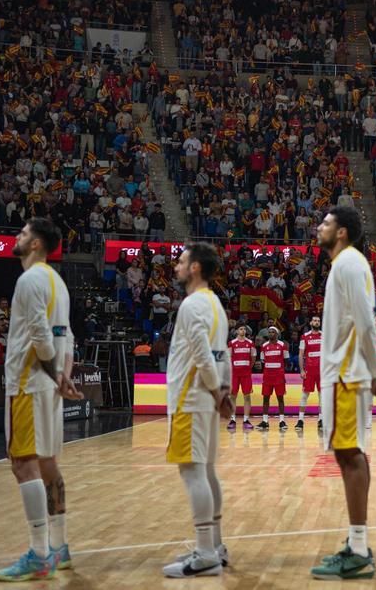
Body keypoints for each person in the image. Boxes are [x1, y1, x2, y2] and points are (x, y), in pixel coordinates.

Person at [0, 218, 82, 581]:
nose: (18, 236)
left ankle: (38, 552)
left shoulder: (30, 279)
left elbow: (40, 333)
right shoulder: (57, 283)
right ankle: (59, 547)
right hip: (49, 385)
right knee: (48, 465)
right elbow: (68, 337)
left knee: (23, 464)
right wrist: (63, 376)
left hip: (30, 382)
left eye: (24, 233)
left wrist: (52, 375)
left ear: (36, 244)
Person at [308, 207, 376, 580]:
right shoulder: (346, 264)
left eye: (325, 223)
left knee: (349, 455)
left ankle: (357, 550)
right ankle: (358, 543)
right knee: (351, 454)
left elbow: (366, 321)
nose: (318, 227)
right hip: (345, 372)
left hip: (346, 374)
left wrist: (375, 369)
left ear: (341, 232)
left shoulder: (349, 263)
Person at [161, 243, 232, 578]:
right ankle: (215, 545)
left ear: (195, 268)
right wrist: (224, 389)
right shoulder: (216, 304)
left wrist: (217, 389)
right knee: (207, 471)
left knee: (192, 472)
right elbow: (224, 355)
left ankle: (205, 554)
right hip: (207, 396)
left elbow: (204, 354)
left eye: (181, 261)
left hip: (192, 397)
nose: (176, 265)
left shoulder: (191, 304)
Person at [258, 326, 288, 430]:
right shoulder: (264, 346)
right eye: (269, 332)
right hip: (267, 377)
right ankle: (265, 421)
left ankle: (282, 421)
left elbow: (286, 360)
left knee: (280, 398)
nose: (271, 334)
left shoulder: (282, 345)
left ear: (277, 334)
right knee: (266, 398)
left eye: (273, 332)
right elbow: (262, 361)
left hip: (279, 377)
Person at [227, 325, 255, 430]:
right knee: (233, 396)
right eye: (241, 329)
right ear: (237, 331)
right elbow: (228, 358)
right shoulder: (232, 343)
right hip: (234, 374)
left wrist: (248, 368)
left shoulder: (250, 343)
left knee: (247, 396)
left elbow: (253, 358)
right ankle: (232, 420)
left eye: (244, 329)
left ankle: (246, 420)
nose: (243, 331)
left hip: (246, 374)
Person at [297, 316, 323, 430]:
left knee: (322, 396)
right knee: (304, 395)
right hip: (309, 370)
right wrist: (302, 370)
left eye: (318, 321)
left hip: (322, 371)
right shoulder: (305, 337)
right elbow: (300, 354)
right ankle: (300, 420)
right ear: (311, 322)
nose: (317, 322)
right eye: (315, 321)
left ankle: (321, 419)